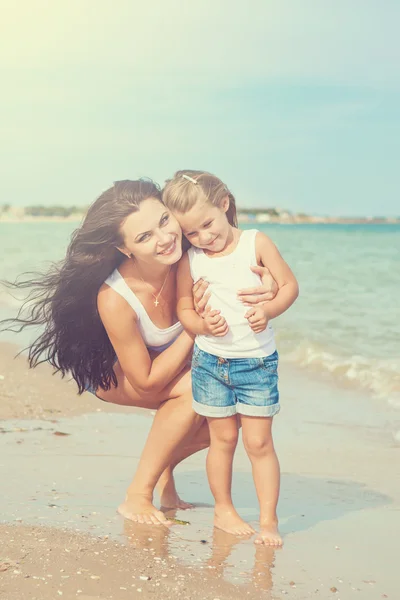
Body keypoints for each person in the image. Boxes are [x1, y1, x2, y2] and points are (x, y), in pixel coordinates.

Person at [1, 179, 277, 526]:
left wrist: (267, 285)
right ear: (126, 249)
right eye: (144, 237)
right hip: (117, 374)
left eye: (164, 221)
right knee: (195, 391)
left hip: (174, 363)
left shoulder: (191, 255)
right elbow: (145, 381)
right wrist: (195, 329)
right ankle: (137, 496)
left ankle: (164, 472)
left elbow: (237, 252)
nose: (164, 238)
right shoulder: (115, 297)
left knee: (232, 416)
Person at [163, 170, 299, 544]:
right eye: (192, 232)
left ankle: (268, 521)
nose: (204, 237)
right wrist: (202, 326)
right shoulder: (191, 259)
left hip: (256, 363)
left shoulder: (256, 242)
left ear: (224, 205)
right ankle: (224, 510)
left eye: (207, 224)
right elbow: (183, 309)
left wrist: (269, 310)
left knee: (259, 444)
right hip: (210, 364)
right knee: (222, 441)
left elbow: (289, 286)